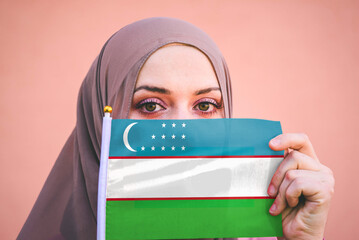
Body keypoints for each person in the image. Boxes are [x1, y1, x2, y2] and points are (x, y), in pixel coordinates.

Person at [18, 17, 334, 240]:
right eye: (151, 105)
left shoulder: (255, 236)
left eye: (206, 105)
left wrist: (305, 238)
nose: (184, 131)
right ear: (100, 120)